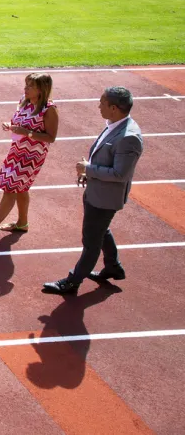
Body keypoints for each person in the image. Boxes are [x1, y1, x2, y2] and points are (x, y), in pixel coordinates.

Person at [43, 87, 144, 295]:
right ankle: (113, 266)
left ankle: (72, 282)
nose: (99, 106)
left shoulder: (128, 137)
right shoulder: (115, 125)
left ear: (114, 108)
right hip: (97, 191)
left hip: (105, 198)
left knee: (91, 241)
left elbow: (120, 174)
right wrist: (89, 172)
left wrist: (89, 169)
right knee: (100, 231)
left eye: (102, 103)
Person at [0, 73, 59, 240]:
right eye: (26, 85)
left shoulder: (49, 110)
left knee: (10, 188)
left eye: (30, 86)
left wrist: (27, 133)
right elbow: (19, 123)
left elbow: (51, 137)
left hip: (32, 156)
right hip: (16, 151)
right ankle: (22, 223)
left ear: (41, 89)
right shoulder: (25, 101)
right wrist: (11, 126)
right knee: (21, 187)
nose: (25, 89)